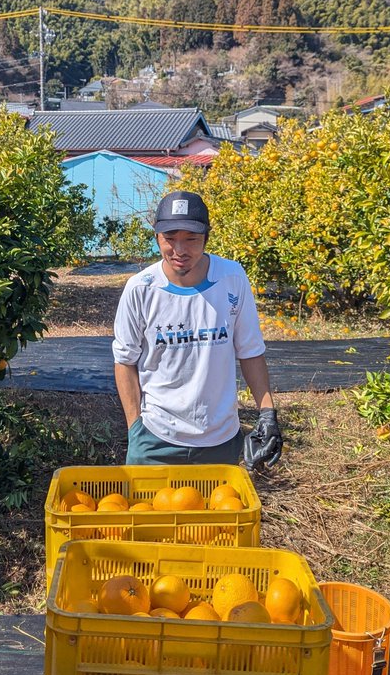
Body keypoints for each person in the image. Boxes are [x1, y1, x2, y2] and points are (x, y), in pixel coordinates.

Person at [112, 190, 283, 469]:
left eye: (191, 239)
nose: (179, 251)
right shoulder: (141, 289)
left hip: (221, 440)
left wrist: (267, 414)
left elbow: (250, 351)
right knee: (149, 512)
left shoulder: (231, 278)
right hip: (155, 440)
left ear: (207, 238)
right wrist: (135, 428)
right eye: (170, 239)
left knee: (216, 512)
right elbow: (125, 361)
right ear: (156, 237)